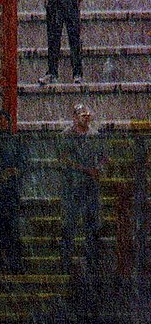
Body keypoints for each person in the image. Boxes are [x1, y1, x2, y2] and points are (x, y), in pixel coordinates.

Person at [58, 102, 106, 276]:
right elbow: (64, 159)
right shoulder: (66, 136)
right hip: (73, 185)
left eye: (87, 115)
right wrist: (84, 169)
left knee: (92, 224)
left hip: (90, 186)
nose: (86, 117)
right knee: (69, 225)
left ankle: (92, 261)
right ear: (75, 117)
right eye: (82, 115)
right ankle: (66, 260)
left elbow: (103, 157)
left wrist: (98, 169)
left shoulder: (95, 135)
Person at [0, 110, 26, 274]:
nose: (2, 123)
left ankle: (14, 263)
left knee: (11, 228)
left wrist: (13, 171)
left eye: (5, 119)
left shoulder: (15, 140)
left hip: (10, 191)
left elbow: (23, 162)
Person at [38, 0, 87, 85]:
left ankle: (77, 73)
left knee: (73, 38)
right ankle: (53, 72)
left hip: (69, 1)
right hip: (55, 1)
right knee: (54, 38)